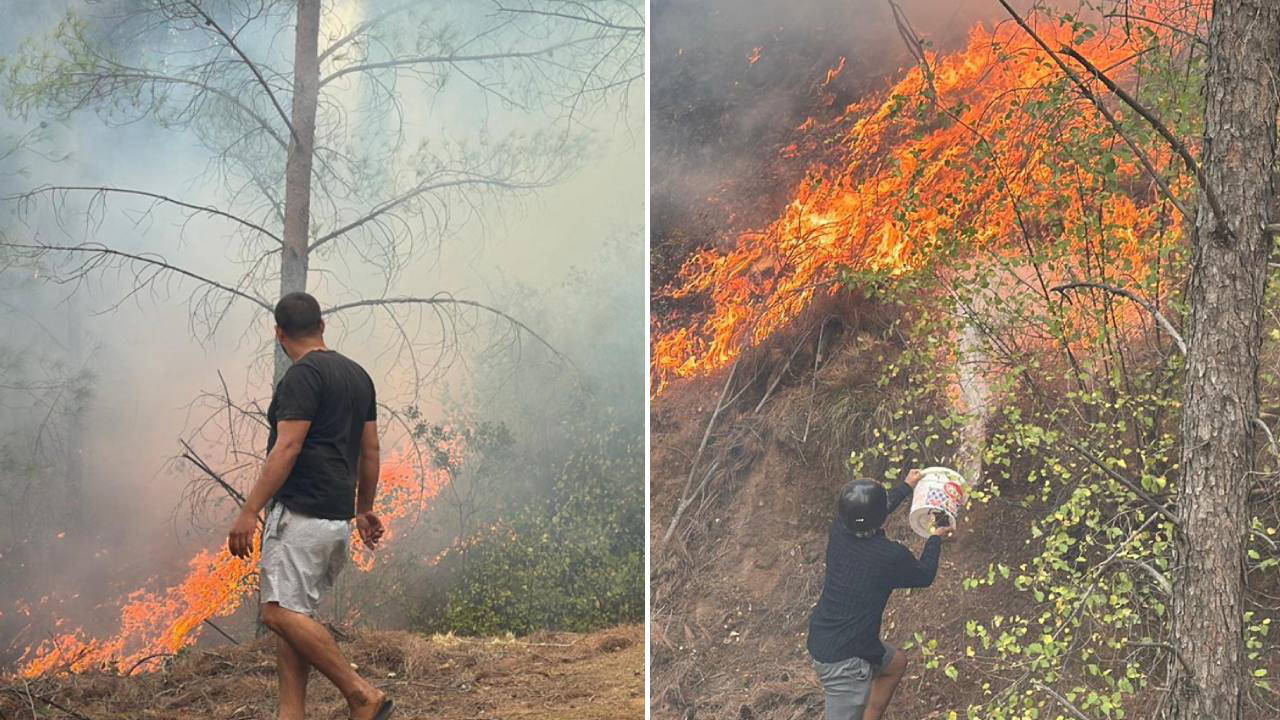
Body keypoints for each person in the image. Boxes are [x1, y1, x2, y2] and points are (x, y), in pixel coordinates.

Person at [228, 291, 394, 720]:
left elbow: (287, 447)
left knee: (277, 614)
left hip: (300, 517)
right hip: (335, 520)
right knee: (294, 616)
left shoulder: (302, 377)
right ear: (322, 326)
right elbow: (370, 449)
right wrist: (363, 508)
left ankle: (361, 694)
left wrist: (249, 510)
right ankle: (291, 713)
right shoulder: (357, 375)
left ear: (279, 334)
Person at [806, 469, 954, 720]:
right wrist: (935, 539)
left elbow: (870, 513)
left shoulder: (839, 529)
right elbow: (925, 576)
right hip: (843, 662)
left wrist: (906, 486)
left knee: (895, 664)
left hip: (827, 634)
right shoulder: (888, 557)